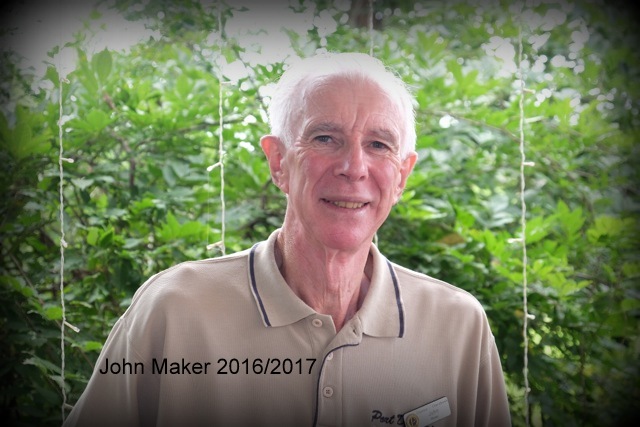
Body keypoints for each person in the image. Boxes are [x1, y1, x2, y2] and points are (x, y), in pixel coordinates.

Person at [63, 52, 511, 427]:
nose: (354, 168)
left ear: (402, 176)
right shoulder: (176, 310)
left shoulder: (458, 327)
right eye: (325, 138)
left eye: (378, 145)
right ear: (278, 161)